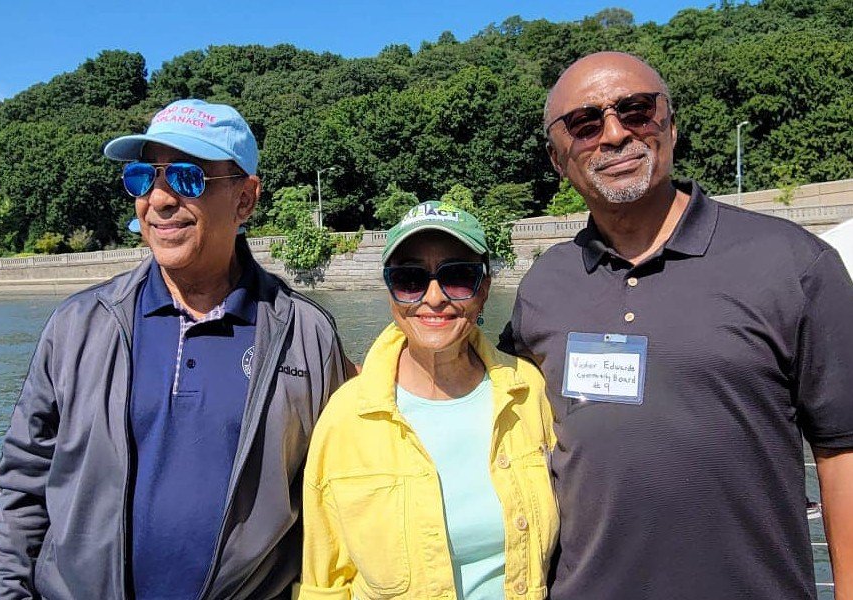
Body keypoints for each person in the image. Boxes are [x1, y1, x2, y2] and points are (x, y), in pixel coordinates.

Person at [499, 51, 853, 600]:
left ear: (671, 124)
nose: (614, 134)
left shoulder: (795, 264)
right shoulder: (545, 284)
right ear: (557, 158)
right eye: (585, 124)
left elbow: (842, 450)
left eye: (637, 111)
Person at [0, 99, 350, 599]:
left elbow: (337, 493)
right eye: (144, 177)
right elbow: (25, 486)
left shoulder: (307, 336)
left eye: (187, 177)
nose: (158, 199)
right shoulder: (79, 326)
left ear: (245, 199)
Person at [301, 201, 558, 599]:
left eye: (457, 277)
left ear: (484, 289)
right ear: (390, 292)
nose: (434, 298)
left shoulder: (528, 393)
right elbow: (325, 581)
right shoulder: (345, 418)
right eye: (410, 279)